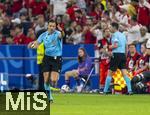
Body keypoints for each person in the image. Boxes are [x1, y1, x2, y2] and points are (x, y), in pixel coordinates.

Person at [28, 19, 64, 103]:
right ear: (48, 26)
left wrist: (61, 30)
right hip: (47, 58)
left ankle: (52, 87)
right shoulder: (43, 35)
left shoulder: (58, 34)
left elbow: (62, 35)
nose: (52, 28)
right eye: (50, 26)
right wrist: (32, 45)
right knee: (46, 79)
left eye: (53, 26)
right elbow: (37, 43)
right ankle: (50, 97)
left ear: (55, 27)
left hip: (56, 58)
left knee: (54, 80)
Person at [103, 22, 133, 95]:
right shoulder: (123, 35)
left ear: (114, 27)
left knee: (109, 73)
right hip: (122, 55)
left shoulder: (114, 35)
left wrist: (107, 47)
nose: (109, 28)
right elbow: (126, 47)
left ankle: (105, 91)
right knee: (125, 74)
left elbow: (115, 45)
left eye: (110, 27)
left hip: (116, 55)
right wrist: (125, 56)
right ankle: (130, 90)